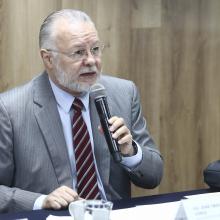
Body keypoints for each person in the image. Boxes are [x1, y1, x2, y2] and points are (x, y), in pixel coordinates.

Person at [0, 9, 163, 213]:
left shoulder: (123, 93)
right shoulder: (9, 110)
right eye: (78, 52)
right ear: (48, 59)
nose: (91, 61)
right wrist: (41, 201)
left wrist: (131, 152)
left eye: (95, 49)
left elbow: (154, 176)